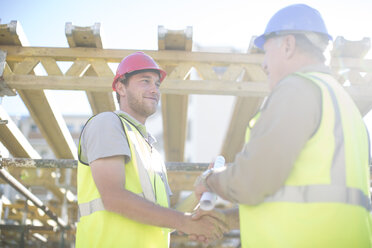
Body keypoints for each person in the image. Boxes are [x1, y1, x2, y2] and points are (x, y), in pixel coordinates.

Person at [194, 4, 372, 248]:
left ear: (288, 45)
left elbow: (253, 182)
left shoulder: (297, 90)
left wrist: (210, 179)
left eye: (266, 53)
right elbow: (300, 195)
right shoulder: (344, 104)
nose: (264, 64)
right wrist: (226, 220)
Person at [76, 52, 227, 247]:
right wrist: (187, 223)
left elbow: (164, 222)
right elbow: (113, 198)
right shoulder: (107, 123)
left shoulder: (151, 151)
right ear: (121, 87)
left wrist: (197, 194)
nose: (154, 90)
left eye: (157, 84)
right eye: (145, 81)